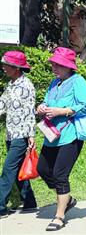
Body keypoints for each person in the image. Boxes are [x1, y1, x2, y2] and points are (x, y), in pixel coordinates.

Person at [36, 47, 86, 231]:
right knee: (42, 169)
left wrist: (62, 111)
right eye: (53, 63)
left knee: (60, 175)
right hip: (52, 135)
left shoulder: (78, 81)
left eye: (59, 65)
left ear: (69, 67)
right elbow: (47, 100)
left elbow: (85, 106)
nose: (55, 67)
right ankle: (66, 198)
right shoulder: (54, 82)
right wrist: (42, 107)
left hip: (70, 135)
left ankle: (59, 216)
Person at [0, 51, 37, 218]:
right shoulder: (11, 84)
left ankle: (0, 206)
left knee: (8, 170)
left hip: (21, 135)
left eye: (6, 64)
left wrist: (31, 136)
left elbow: (30, 113)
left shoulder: (26, 86)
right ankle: (29, 202)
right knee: (17, 168)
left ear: (16, 68)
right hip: (10, 133)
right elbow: (2, 105)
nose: (3, 67)